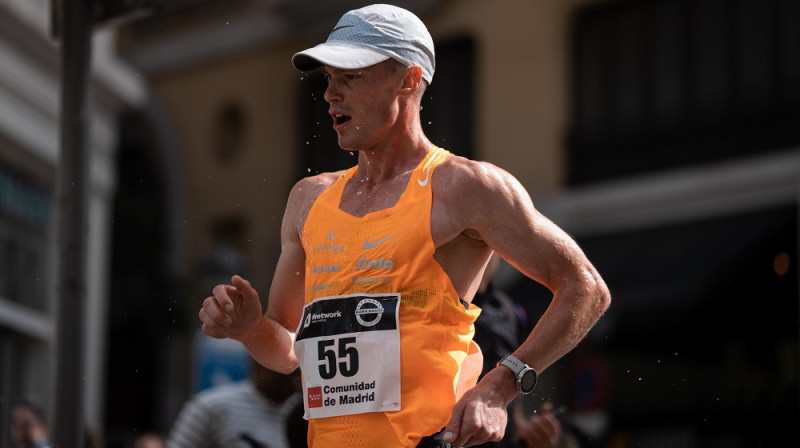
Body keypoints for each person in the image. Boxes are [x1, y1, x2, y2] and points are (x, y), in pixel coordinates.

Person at [198, 4, 610, 447]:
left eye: (350, 77)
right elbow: (285, 349)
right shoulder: (308, 199)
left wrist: (501, 385)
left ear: (409, 80)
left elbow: (586, 289)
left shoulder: (463, 186)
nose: (330, 94)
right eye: (329, 78)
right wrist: (248, 328)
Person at [167, 359, 300, 448]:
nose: (294, 378)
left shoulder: (306, 413)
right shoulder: (211, 407)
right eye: (286, 372)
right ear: (258, 362)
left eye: (298, 372)